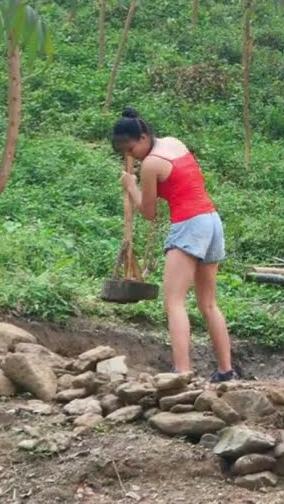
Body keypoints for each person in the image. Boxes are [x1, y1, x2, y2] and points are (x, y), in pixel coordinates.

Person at [112, 107, 237, 382]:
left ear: (143, 137)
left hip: (190, 224)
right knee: (208, 304)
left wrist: (131, 186)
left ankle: (182, 370)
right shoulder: (174, 143)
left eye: (131, 148)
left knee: (174, 302)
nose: (130, 154)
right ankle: (226, 371)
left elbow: (149, 213)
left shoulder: (151, 164)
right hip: (212, 221)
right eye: (124, 151)